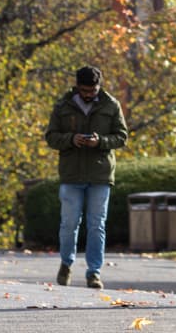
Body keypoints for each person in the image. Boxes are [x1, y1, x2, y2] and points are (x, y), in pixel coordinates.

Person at [43, 64, 128, 288]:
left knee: (96, 224)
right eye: (85, 91)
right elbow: (51, 136)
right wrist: (72, 139)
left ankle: (94, 272)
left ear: (99, 87)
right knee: (69, 223)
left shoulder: (111, 105)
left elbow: (121, 136)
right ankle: (66, 263)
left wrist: (100, 141)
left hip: (100, 174)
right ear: (77, 87)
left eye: (93, 91)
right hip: (71, 173)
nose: (89, 95)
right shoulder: (63, 106)